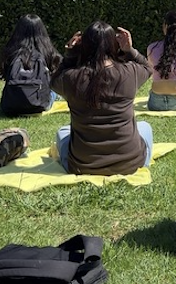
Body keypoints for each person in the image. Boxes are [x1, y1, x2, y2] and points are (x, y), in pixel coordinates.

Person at [51, 22, 153, 176]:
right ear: (114, 44)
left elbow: (53, 81)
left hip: (83, 165)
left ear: (84, 46)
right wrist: (129, 50)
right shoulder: (129, 73)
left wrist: (70, 54)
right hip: (130, 163)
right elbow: (147, 68)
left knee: (62, 133)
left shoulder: (71, 78)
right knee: (145, 127)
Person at [0, 13, 62, 116]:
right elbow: (57, 72)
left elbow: (5, 74)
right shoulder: (47, 50)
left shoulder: (10, 51)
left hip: (11, 104)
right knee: (53, 90)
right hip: (39, 103)